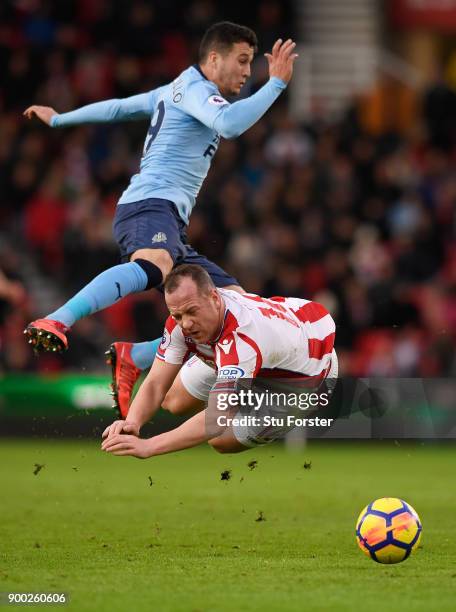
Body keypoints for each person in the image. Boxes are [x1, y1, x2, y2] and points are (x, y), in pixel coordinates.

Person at [23, 21, 298, 366]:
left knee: (232, 308)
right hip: (149, 205)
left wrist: (61, 119)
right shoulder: (197, 90)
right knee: (155, 265)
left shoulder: (175, 89)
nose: (246, 72)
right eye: (242, 60)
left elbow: (119, 108)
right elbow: (229, 125)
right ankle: (59, 319)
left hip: (168, 219)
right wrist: (275, 84)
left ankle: (134, 357)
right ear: (214, 58)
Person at [101, 264, 337, 458]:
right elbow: (155, 383)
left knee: (219, 439)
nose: (186, 324)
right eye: (177, 315)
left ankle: (235, 394)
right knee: (173, 401)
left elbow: (216, 421)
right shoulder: (184, 321)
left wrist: (149, 446)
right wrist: (132, 422)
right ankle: (232, 391)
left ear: (215, 297)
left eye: (192, 312)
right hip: (270, 345)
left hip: (305, 378)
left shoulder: (242, 340)